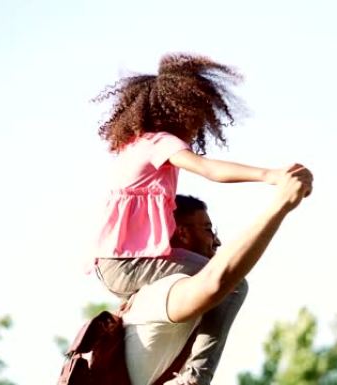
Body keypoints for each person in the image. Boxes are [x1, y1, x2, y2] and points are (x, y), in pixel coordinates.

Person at [91, 53, 301, 385]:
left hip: (118, 262)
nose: (199, 125)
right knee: (232, 285)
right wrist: (269, 175)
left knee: (219, 284)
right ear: (180, 109)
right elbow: (209, 169)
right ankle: (194, 377)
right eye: (198, 115)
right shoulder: (161, 143)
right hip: (127, 263)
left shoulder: (136, 146)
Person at [122, 166, 313, 385]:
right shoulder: (162, 291)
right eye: (207, 229)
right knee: (235, 285)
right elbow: (220, 281)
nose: (217, 241)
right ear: (182, 233)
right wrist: (281, 205)